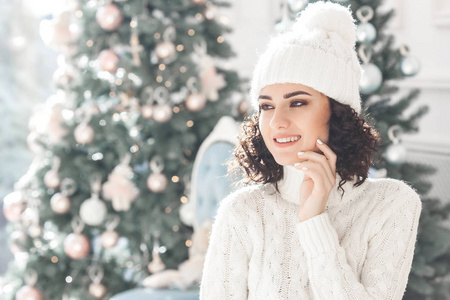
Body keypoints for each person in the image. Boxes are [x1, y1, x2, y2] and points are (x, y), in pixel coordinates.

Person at [199, 1, 422, 299]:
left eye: (298, 102)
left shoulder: (392, 205)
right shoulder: (242, 213)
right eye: (266, 106)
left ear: (338, 111)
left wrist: (314, 220)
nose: (277, 121)